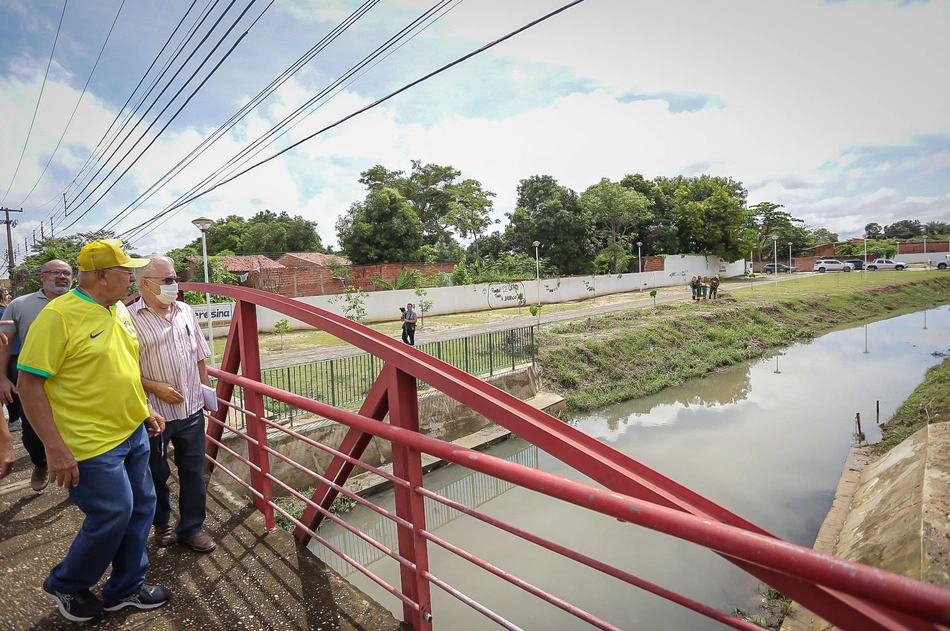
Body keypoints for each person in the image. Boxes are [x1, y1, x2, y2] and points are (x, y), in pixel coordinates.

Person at [17, 239, 172, 623]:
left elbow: (122, 367)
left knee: (141, 508)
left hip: (132, 432)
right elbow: (29, 385)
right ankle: (67, 583)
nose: (133, 279)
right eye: (127, 272)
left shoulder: (116, 308)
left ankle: (125, 589)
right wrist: (54, 449)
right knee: (112, 513)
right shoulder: (59, 316)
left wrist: (145, 408)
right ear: (102, 275)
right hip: (88, 442)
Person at [130, 254, 216, 553]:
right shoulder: (128, 319)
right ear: (145, 283)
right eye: (167, 280)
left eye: (175, 278)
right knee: (155, 473)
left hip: (191, 409)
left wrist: (207, 391)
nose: (175, 284)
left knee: (193, 471)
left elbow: (199, 355)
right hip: (154, 414)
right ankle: (162, 524)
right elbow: (122, 370)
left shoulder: (185, 311)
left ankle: (191, 528)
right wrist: (154, 387)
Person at [0, 259, 74, 492]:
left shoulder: (85, 302)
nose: (62, 276)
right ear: (42, 276)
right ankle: (40, 463)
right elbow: (5, 344)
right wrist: (2, 378)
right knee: (32, 433)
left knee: (76, 432)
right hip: (33, 382)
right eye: (55, 272)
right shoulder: (21, 304)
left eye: (67, 273)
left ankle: (79, 479)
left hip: (75, 382)